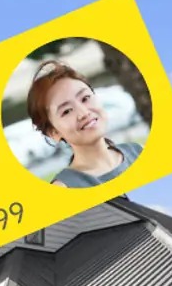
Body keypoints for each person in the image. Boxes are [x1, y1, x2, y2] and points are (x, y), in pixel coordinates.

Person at [25, 60, 144, 189]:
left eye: (85, 98)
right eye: (67, 111)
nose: (84, 113)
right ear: (53, 132)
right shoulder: (64, 189)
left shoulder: (138, 152)